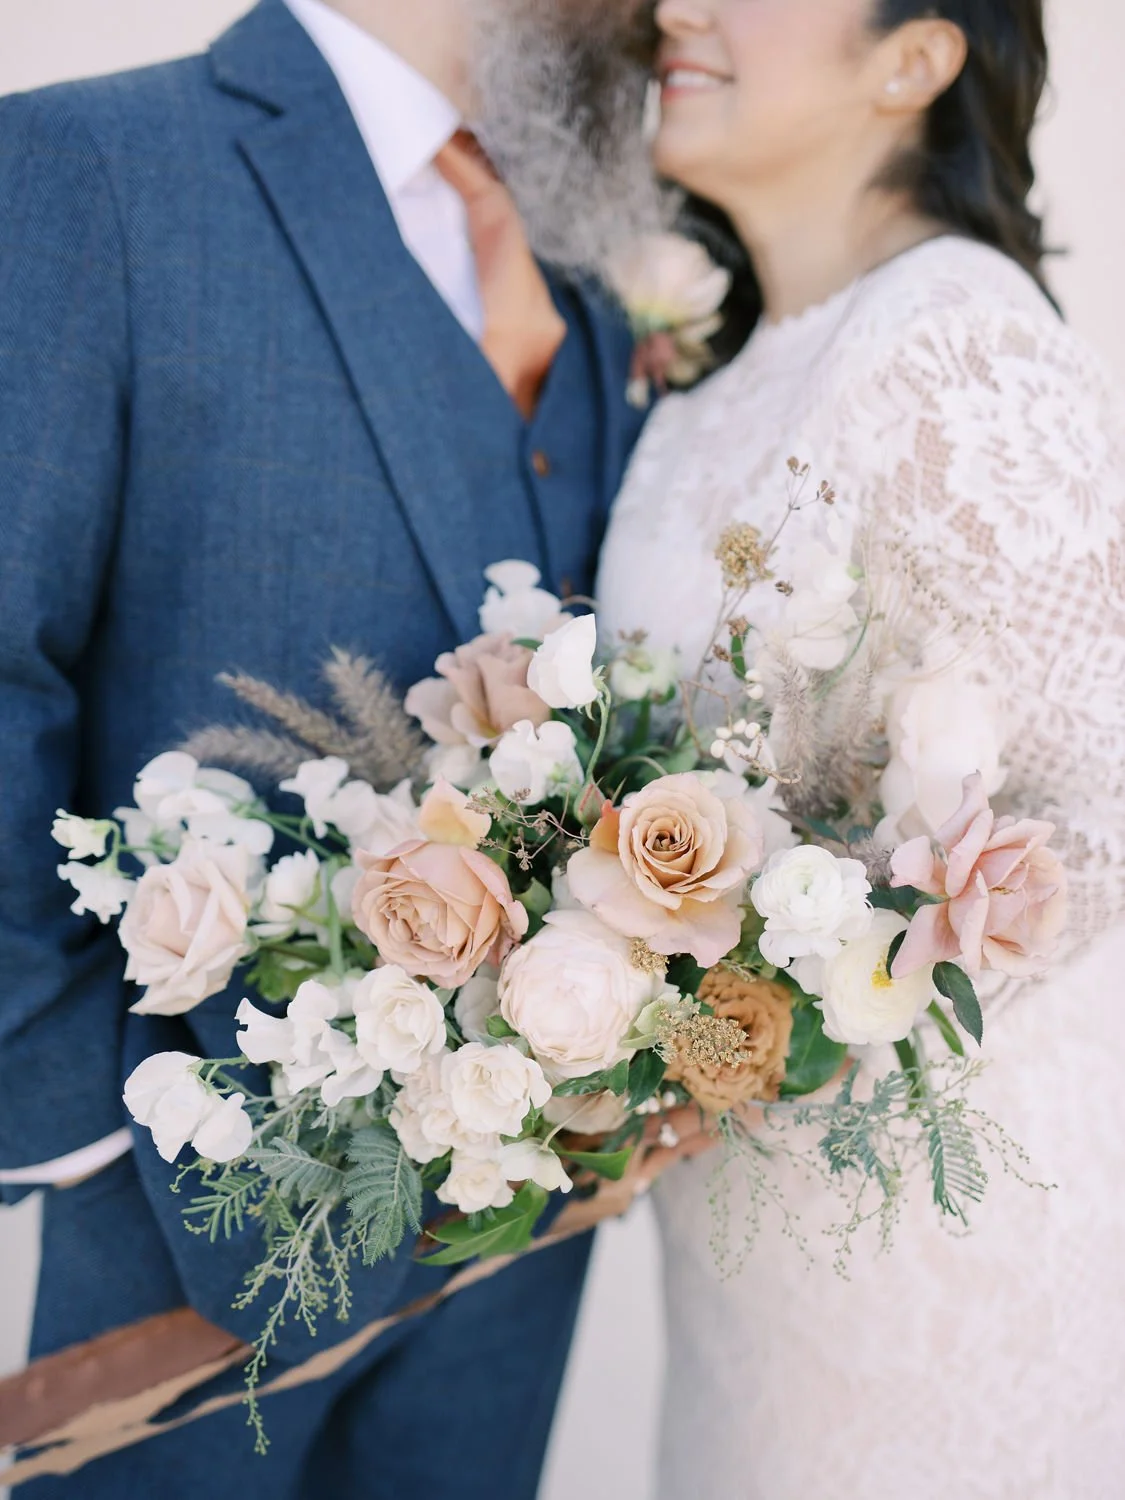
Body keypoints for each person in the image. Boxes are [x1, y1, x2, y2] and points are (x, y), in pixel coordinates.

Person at [0, 1, 657, 1494]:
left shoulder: (590, 230)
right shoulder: (86, 165)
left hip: (520, 1232)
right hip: (179, 1202)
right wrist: (83, 1124)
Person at [594, 0, 1125, 1495]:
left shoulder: (964, 348)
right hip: (748, 1223)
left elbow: (1109, 808)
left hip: (944, 1232)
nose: (673, 8)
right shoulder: (722, 367)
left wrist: (829, 960)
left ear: (914, 60)